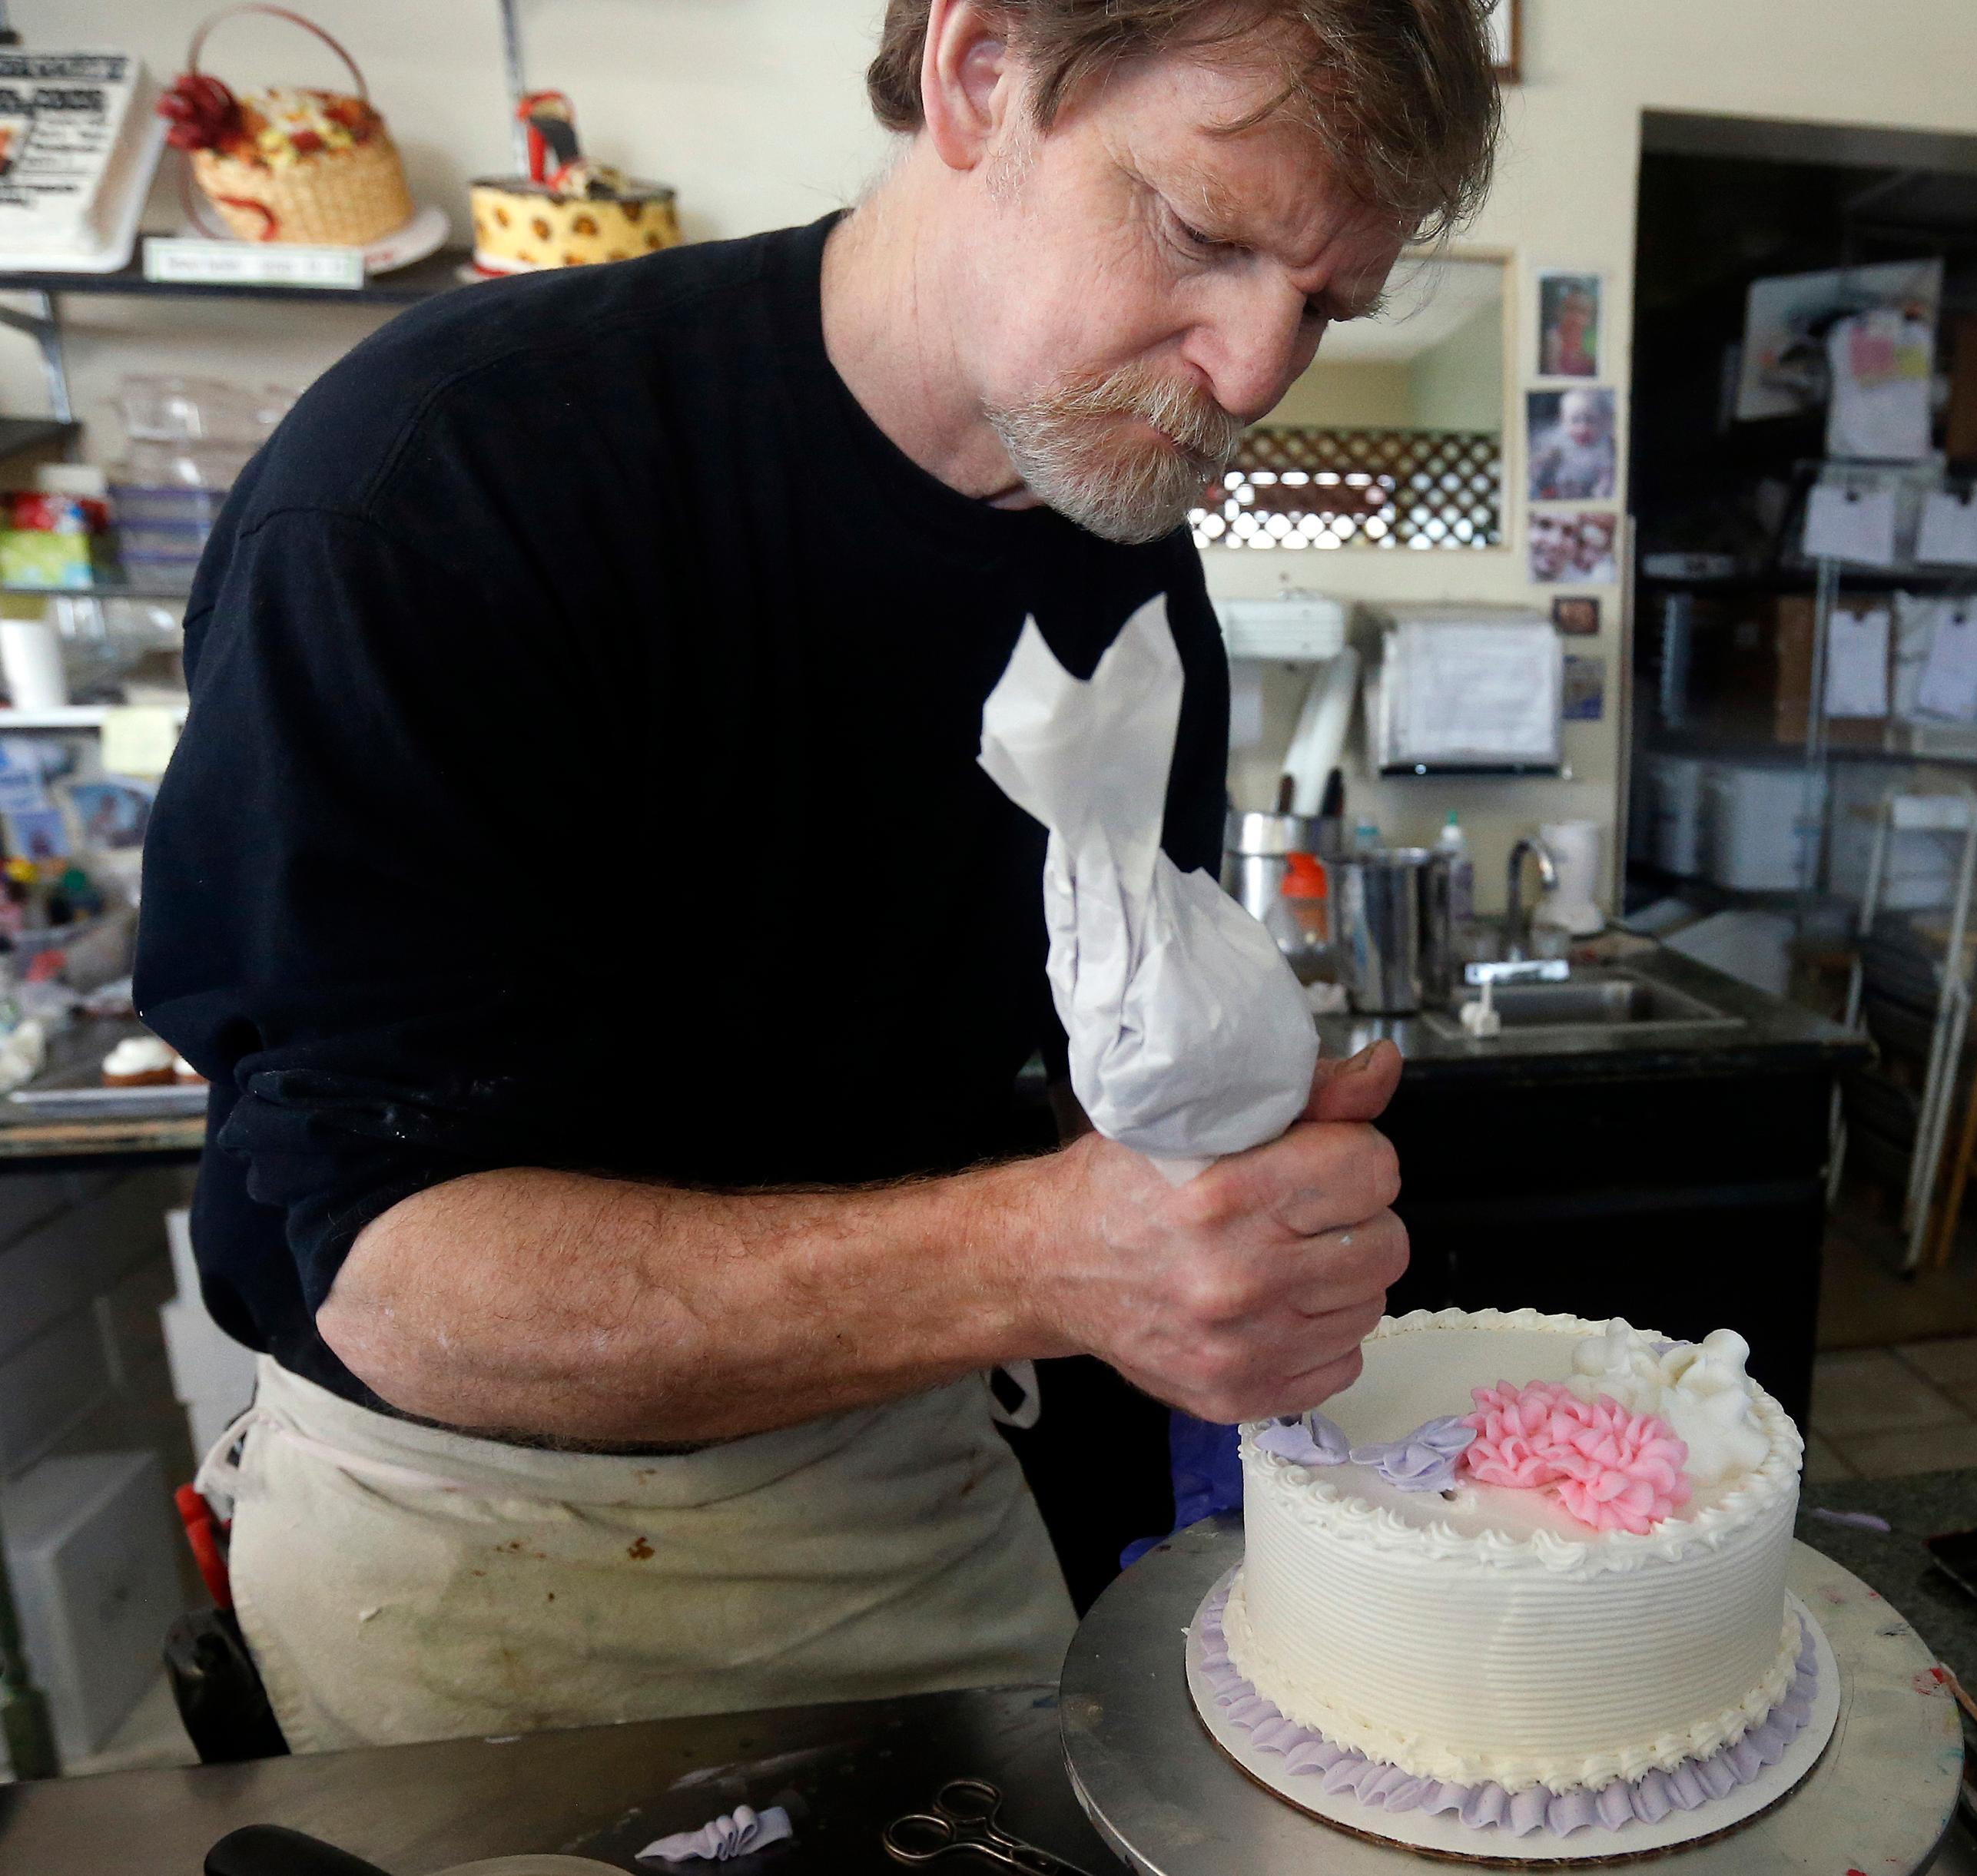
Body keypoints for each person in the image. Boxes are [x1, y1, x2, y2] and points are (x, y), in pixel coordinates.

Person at [137, 0, 1500, 1752]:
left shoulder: (1121, 566)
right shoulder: (445, 487)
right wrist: (1045, 1252)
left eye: (1322, 305)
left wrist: (1208, 1124)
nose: (1248, 370)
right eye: (1203, 232)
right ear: (977, 68)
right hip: (478, 1543)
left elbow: (1061, 1045)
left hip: (911, 1460)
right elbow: (399, 1282)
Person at [1528, 386, 1616, 500]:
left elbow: (1607, 473)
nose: (1583, 428)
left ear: (1603, 421)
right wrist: (1542, 462)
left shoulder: (1603, 444)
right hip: (1561, 485)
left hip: (1588, 487)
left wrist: (1603, 488)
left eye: (1590, 420)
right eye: (1575, 420)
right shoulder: (1559, 439)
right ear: (1563, 420)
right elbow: (1544, 458)